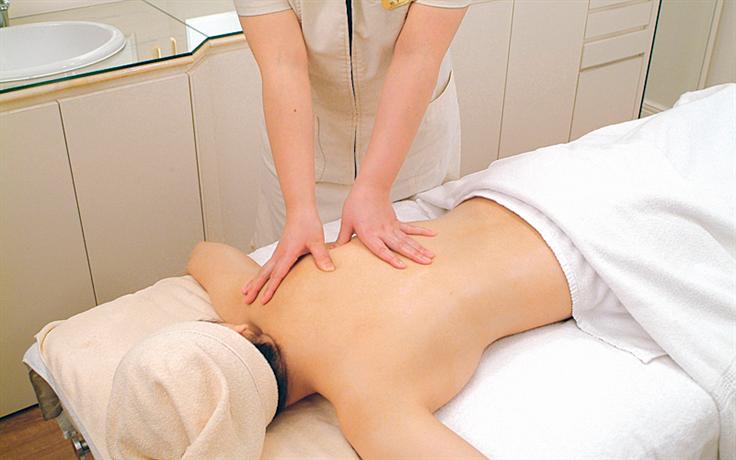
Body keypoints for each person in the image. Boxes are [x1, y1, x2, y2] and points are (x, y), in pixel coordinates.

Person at [183, 195, 580, 458]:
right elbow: (203, 253)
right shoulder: (251, 296)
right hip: (516, 193)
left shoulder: (372, 409)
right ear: (236, 332)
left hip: (573, 248)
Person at [236, 0, 479, 305]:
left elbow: (419, 54)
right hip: (305, 152)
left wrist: (374, 188)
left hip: (409, 151)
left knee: (415, 291)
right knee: (294, 294)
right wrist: (299, 208)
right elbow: (282, 64)